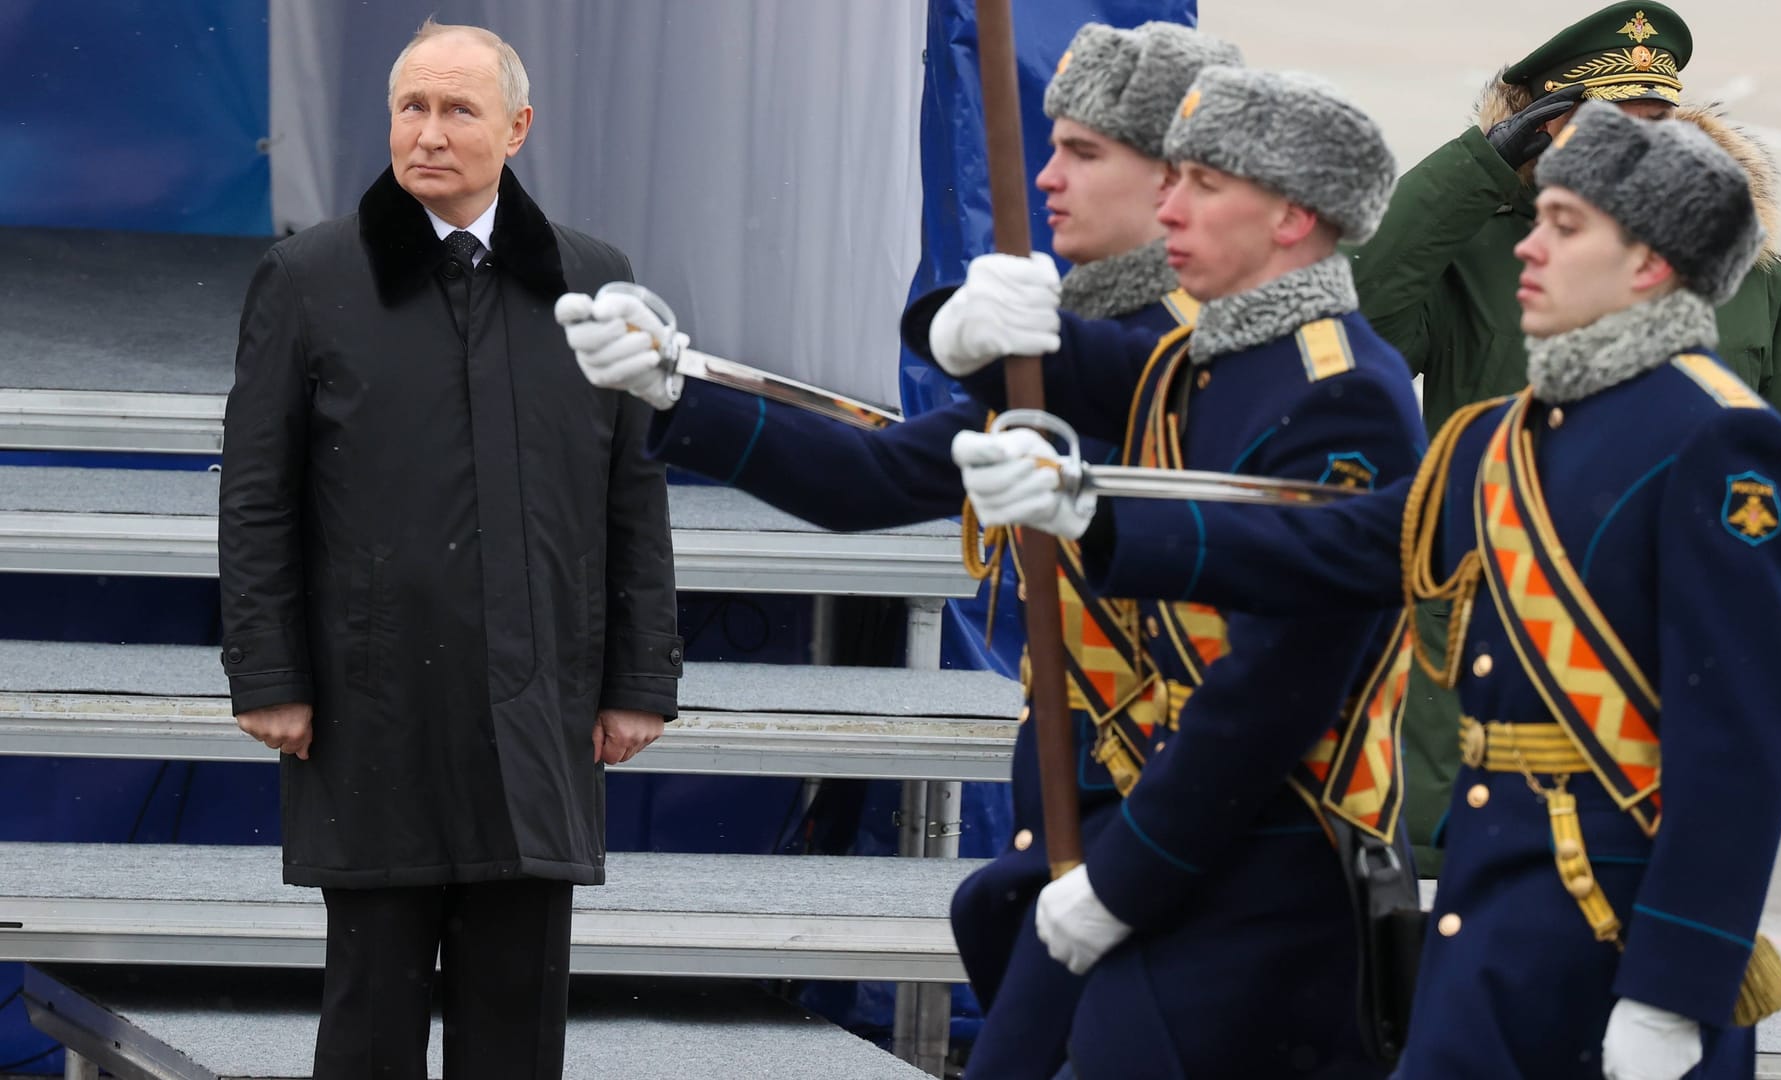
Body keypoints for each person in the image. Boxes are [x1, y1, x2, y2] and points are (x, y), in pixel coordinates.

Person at [988, 101, 1781, 1079]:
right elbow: (1340, 545)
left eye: (1565, 225)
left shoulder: (1717, 441)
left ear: (1652, 266)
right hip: (1493, 916)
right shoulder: (1495, 437)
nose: (1528, 251)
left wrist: (1677, 983)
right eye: (1538, 216)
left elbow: (1736, 744)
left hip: (1615, 932)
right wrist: (1096, 512)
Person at [558, 22, 1239, 1079]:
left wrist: (970, 339)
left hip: (1197, 825)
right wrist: (672, 388)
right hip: (1074, 804)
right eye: (1048, 147)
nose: (1049, 178)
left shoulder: (1233, 354)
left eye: (1088, 153)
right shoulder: (1072, 349)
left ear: (1181, 177)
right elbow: (865, 480)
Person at [930, 65, 1425, 1075]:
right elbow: (1057, 369)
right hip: (1179, 844)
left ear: (1291, 217)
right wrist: (966, 328)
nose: (1169, 202)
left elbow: (1273, 689)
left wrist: (1124, 881)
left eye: (1203, 182)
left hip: (1263, 870)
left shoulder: (1341, 393)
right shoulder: (1202, 362)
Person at [219, 19, 682, 1078]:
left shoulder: (592, 284)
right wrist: (270, 673)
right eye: (411, 108)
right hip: (374, 704)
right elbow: (256, 497)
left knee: (517, 1028)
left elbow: (632, 496)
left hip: (538, 708)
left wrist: (639, 678)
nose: (428, 133)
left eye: (458, 110)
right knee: (372, 1019)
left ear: (517, 129)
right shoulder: (309, 278)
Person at [1349, 0, 1781, 874]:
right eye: (1608, 122)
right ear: (1539, 127)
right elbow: (1361, 334)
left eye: (1658, 121)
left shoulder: (1747, 270)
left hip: (1662, 661)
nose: (1637, 145)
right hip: (1483, 659)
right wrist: (1474, 174)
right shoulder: (1475, 248)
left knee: (1659, 899)